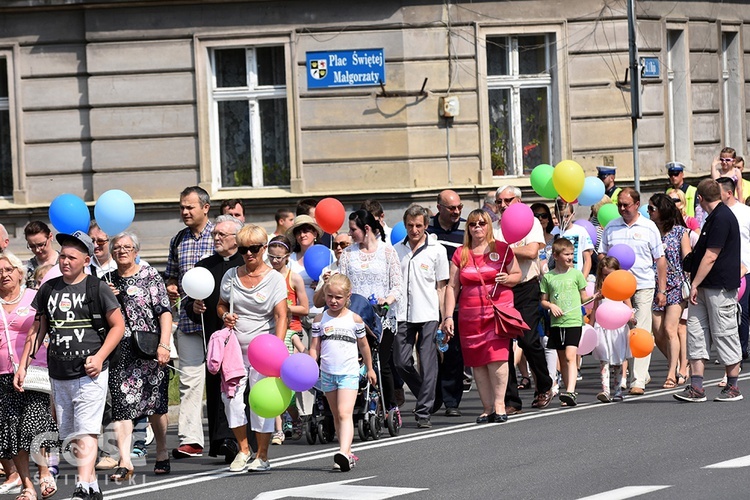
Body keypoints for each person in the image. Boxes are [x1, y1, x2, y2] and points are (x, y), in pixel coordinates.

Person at [16, 230, 124, 500]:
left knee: (86, 428)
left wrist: (99, 358)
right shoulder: (49, 289)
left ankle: (83, 487)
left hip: (90, 372)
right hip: (59, 371)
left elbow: (118, 326)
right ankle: (93, 487)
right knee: (72, 432)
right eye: (62, 256)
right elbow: (37, 329)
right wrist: (23, 366)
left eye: (71, 257)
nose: (64, 261)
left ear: (86, 260)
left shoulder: (96, 288)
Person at [217, 225, 288, 472]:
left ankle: (263, 455)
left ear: (264, 249)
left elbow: (281, 316)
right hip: (235, 349)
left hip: (264, 351)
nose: (248, 254)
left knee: (261, 403)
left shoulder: (275, 279)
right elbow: (221, 305)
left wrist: (276, 350)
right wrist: (225, 316)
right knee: (232, 400)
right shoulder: (231, 276)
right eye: (243, 249)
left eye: (254, 249)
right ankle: (243, 450)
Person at [442, 209, 522, 423]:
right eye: (472, 224)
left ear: (488, 226)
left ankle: (499, 404)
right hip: (470, 315)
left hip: (497, 311)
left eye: (481, 223)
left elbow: (517, 275)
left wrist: (507, 278)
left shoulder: (502, 249)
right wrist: (448, 316)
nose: (477, 227)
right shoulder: (461, 253)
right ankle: (487, 407)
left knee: (497, 357)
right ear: (468, 227)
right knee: (477, 361)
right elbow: (452, 287)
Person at [106, 232, 172, 480]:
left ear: (136, 251)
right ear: (112, 253)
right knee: (122, 407)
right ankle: (125, 461)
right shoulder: (105, 280)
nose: (122, 250)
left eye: (127, 247)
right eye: (118, 247)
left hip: (149, 349)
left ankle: (162, 450)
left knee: (155, 404)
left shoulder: (149, 275)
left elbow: (164, 311)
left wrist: (164, 345)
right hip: (120, 351)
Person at [675, 179, 743, 403]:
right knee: (696, 333)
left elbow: (711, 256)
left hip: (719, 287)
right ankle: (696, 386)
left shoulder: (722, 218)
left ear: (700, 199)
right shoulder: (712, 218)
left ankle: (733, 386)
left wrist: (694, 283)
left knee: (724, 333)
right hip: (704, 286)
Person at [184, 215, 244, 463]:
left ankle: (239, 438)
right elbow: (189, 302)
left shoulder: (244, 264)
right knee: (217, 388)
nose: (216, 238)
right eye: (214, 234)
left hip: (241, 337)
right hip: (214, 337)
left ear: (236, 239)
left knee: (238, 387)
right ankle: (222, 440)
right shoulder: (204, 266)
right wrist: (193, 307)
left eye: (222, 235)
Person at [0, 252, 57, 500]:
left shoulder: (34, 297)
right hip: (2, 373)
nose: (3, 275)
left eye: (8, 269)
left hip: (33, 370)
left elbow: (51, 326)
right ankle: (27, 485)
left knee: (33, 424)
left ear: (19, 272)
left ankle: (44, 472)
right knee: (12, 430)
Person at [599, 188, 667, 395]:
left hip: (643, 285)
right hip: (617, 288)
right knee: (621, 332)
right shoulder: (611, 227)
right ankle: (630, 373)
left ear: (637, 205)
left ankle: (638, 380)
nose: (622, 209)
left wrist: (662, 289)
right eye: (619, 204)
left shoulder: (649, 227)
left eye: (626, 205)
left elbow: (660, 259)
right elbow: (602, 255)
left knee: (641, 330)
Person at [165, 186, 215, 459]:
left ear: (205, 207)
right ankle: (191, 440)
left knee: (225, 381)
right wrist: (172, 286)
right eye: (182, 207)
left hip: (220, 323)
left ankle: (230, 435)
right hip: (188, 323)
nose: (184, 212)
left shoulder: (221, 234)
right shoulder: (178, 240)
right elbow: (170, 276)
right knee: (190, 381)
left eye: (190, 207)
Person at [494, 187, 554, 411]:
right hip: (502, 289)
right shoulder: (495, 227)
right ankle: (511, 400)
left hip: (526, 287)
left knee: (528, 340)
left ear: (518, 201)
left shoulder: (530, 223)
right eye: (499, 201)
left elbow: (531, 252)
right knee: (504, 347)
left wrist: (503, 249)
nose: (503, 205)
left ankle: (545, 384)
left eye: (508, 200)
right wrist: (509, 248)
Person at [309, 274, 376, 472]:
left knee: (345, 412)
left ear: (348, 296)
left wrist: (370, 368)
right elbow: (315, 347)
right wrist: (312, 362)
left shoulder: (354, 319)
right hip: (328, 373)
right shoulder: (320, 319)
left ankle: (344, 453)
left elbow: (364, 346)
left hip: (349, 372)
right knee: (336, 415)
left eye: (338, 297)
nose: (333, 301)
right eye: (329, 296)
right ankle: (346, 451)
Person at [339, 210, 402, 416]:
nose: (350, 234)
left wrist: (387, 300)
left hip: (381, 317)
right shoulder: (348, 254)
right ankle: (357, 404)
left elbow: (397, 286)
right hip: (355, 316)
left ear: (366, 229)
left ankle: (390, 405)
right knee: (355, 364)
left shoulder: (387, 252)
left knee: (380, 363)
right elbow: (342, 283)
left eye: (353, 229)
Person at [393, 205, 449, 429]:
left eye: (418, 225)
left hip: (427, 313)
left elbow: (442, 287)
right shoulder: (396, 250)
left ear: (426, 226)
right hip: (402, 313)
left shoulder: (437, 250)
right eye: (410, 225)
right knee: (401, 361)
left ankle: (424, 411)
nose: (414, 230)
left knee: (428, 363)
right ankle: (427, 394)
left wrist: (445, 317)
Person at [426, 190, 466, 416]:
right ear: (439, 207)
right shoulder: (427, 232)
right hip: (428, 301)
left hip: (456, 303)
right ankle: (433, 396)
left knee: (452, 352)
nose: (457, 212)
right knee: (428, 354)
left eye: (459, 207)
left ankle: (451, 402)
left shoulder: (464, 234)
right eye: (452, 208)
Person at [266, 235, 308, 444]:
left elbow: (306, 309)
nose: (274, 261)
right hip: (270, 333)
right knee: (273, 382)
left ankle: (295, 418)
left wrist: (283, 307)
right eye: (271, 257)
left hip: (292, 331)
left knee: (287, 386)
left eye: (278, 258)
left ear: (287, 257)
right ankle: (278, 430)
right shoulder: (264, 276)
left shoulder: (294, 278)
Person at [540, 238, 591, 407]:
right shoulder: (548, 277)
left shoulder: (576, 274)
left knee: (570, 356)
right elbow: (543, 300)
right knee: (562, 359)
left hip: (574, 321)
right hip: (556, 323)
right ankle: (568, 393)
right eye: (566, 254)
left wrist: (594, 297)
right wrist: (551, 306)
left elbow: (584, 297)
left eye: (571, 254)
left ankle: (570, 391)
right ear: (555, 255)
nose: (570, 257)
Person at [648, 194, 691, 388]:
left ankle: (672, 373)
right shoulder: (650, 231)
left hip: (675, 284)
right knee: (657, 332)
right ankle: (679, 363)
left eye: (651, 209)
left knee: (670, 328)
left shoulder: (681, 232)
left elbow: (688, 260)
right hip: (654, 284)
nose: (648, 213)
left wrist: (692, 284)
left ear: (662, 210)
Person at [716, 177, 750, 365]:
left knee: (743, 311)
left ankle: (742, 349)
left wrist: (746, 266)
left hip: (746, 269)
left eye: (718, 191)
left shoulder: (746, 213)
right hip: (724, 270)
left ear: (729, 193)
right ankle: (734, 351)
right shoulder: (714, 213)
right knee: (728, 312)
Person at [591, 256, 632, 402]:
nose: (608, 278)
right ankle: (606, 390)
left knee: (618, 360)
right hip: (602, 328)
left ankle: (618, 391)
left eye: (611, 275)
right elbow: (595, 310)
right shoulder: (599, 289)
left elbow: (628, 307)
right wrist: (590, 328)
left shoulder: (621, 289)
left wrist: (631, 317)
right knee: (604, 359)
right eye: (605, 275)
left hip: (618, 328)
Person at [554, 198, 594, 277]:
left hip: (576, 277)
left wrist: (583, 278)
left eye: (567, 216)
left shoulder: (581, 231)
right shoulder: (553, 232)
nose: (564, 220)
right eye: (560, 216)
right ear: (556, 215)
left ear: (573, 214)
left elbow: (587, 259)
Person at [312, 233, 352, 308]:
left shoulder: (358, 268)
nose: (339, 248)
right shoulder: (327, 270)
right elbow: (317, 303)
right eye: (335, 245)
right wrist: (325, 285)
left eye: (343, 244)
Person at [23, 222, 58, 289]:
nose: (37, 250)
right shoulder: (27, 269)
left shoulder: (64, 263)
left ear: (50, 236)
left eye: (41, 245)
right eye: (32, 246)